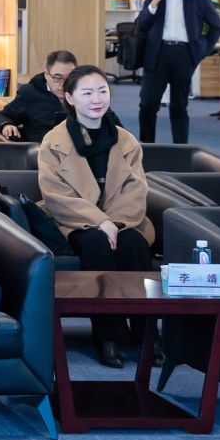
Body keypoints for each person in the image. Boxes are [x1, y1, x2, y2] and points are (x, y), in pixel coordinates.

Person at [36, 63, 155, 367]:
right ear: (70, 98)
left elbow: (136, 189)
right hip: (74, 221)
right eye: (87, 93)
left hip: (122, 219)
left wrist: (114, 222)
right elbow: (55, 194)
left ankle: (146, 334)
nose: (96, 99)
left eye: (102, 91)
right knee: (96, 245)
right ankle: (107, 336)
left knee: (134, 244)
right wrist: (99, 221)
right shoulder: (54, 142)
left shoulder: (126, 141)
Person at [134, 0, 220, 144]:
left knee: (179, 105)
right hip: (157, 54)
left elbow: (216, 26)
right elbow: (141, 25)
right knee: (148, 104)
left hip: (184, 55)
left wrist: (202, 49)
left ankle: (181, 148)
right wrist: (154, 3)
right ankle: (146, 147)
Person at [0, 50, 77, 143]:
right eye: (57, 78)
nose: (64, 85)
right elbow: (5, 116)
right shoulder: (30, 93)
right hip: (43, 147)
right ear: (47, 75)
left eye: (70, 78)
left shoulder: (83, 93)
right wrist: (6, 125)